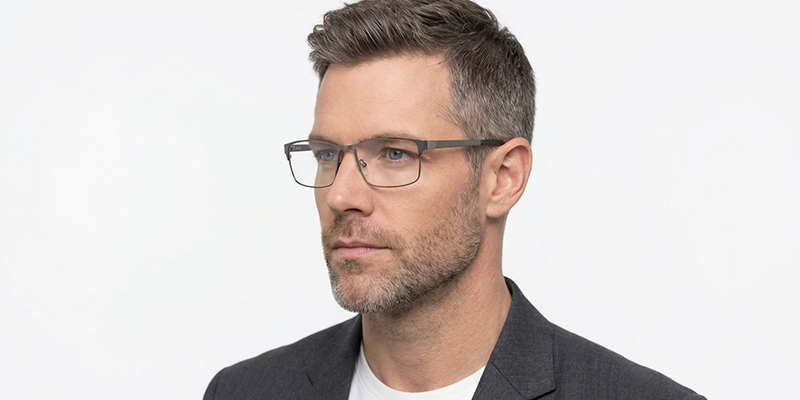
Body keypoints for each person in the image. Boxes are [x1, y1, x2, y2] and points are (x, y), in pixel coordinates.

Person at [204, 0, 706, 398]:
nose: (340, 194)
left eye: (396, 154)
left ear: (503, 178)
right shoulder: (244, 392)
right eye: (328, 154)